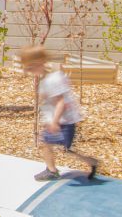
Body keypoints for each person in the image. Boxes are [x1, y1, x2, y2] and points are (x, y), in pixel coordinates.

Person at [20, 45, 99, 181]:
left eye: (30, 67)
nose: (29, 71)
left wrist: (55, 122)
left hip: (64, 122)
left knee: (62, 148)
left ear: (39, 63)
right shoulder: (47, 79)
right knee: (51, 145)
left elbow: (61, 102)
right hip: (60, 121)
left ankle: (56, 170)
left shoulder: (52, 80)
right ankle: (53, 169)